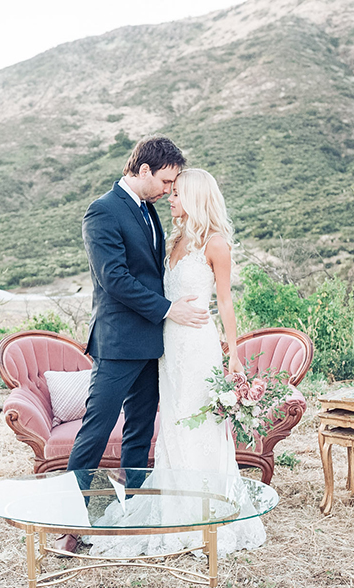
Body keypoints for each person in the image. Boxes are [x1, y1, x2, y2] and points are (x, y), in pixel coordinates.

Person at [86, 167, 266, 558]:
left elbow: (226, 302)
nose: (170, 198)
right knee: (171, 426)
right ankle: (175, 506)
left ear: (196, 198)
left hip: (199, 345)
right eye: (170, 191)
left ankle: (208, 510)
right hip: (167, 347)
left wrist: (233, 352)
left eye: (178, 193)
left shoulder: (215, 244)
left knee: (199, 424)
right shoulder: (173, 240)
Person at [57, 137, 209, 553]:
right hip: (118, 343)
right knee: (95, 432)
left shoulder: (148, 211)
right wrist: (169, 310)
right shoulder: (102, 211)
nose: (168, 190)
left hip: (151, 345)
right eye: (165, 180)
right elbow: (115, 279)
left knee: (140, 435)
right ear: (142, 170)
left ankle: (133, 514)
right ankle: (80, 524)